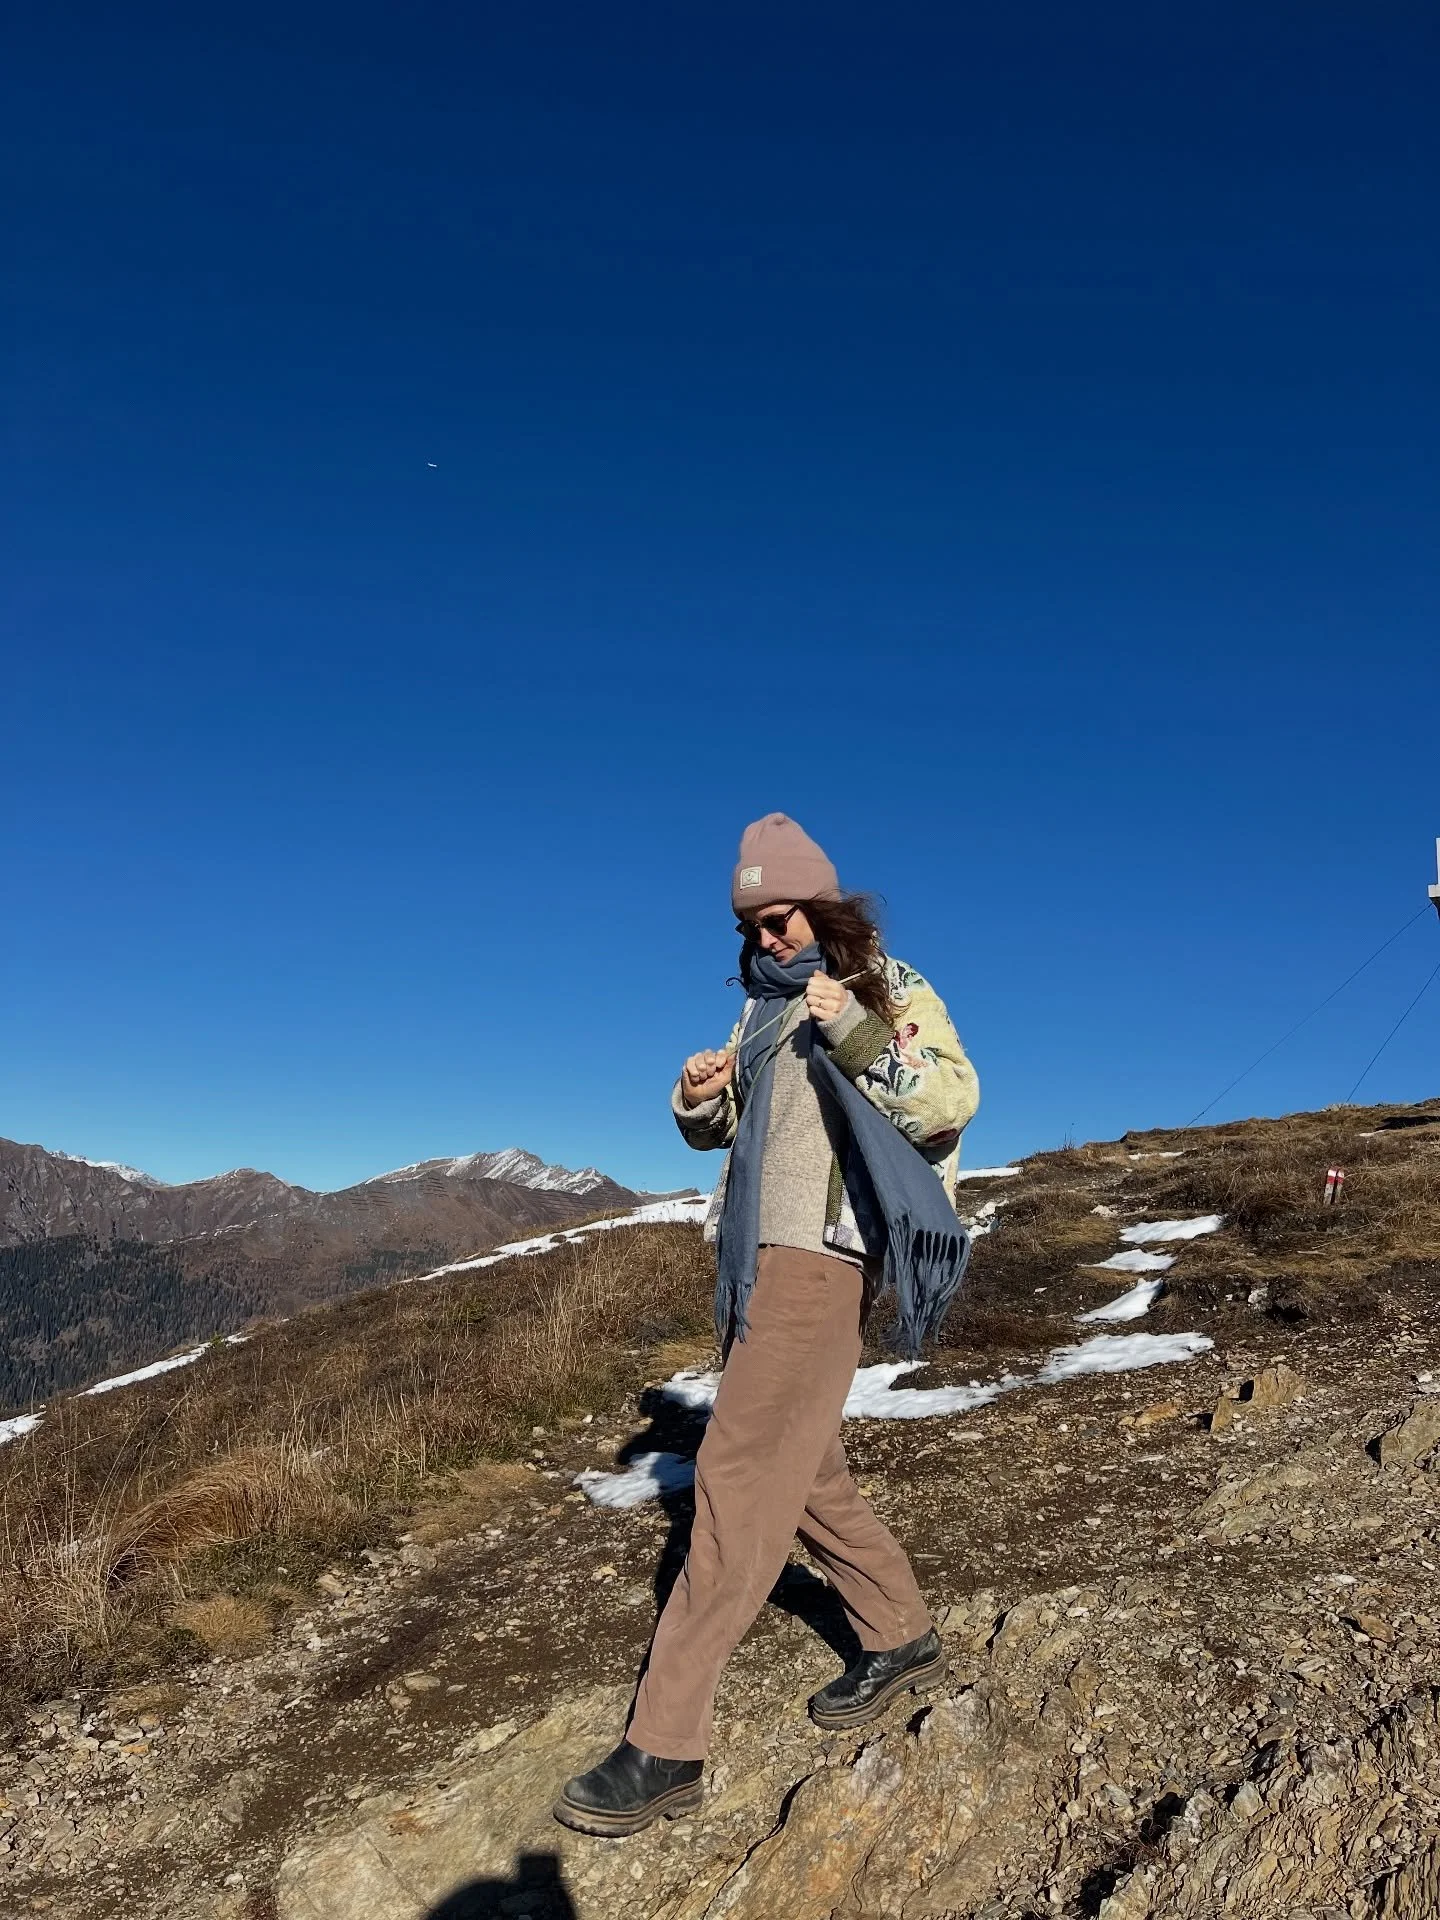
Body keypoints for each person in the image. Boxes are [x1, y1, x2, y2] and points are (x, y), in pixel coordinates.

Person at [554, 813, 979, 1838]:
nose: (765, 940)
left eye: (779, 919)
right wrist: (701, 1100)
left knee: (739, 1475)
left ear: (824, 911)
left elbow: (947, 1103)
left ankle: (665, 1745)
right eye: (751, 926)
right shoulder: (762, 1013)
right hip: (760, 1265)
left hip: (825, 1259)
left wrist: (856, 1027)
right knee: (805, 1468)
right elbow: (734, 1137)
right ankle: (901, 1631)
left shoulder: (886, 987)